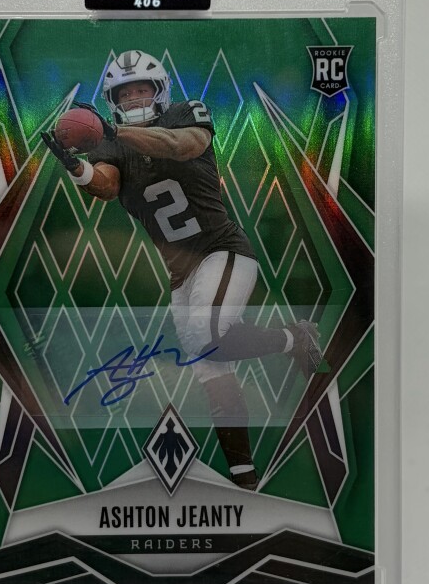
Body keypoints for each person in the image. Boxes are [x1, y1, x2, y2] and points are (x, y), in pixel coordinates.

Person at [42, 50, 321, 491]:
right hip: (180, 276)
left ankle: (292, 339)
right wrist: (76, 167)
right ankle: (245, 479)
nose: (134, 98)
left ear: (160, 91)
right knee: (211, 371)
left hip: (221, 251)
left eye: (141, 89)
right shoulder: (113, 145)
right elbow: (107, 186)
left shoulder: (185, 115)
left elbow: (181, 146)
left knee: (211, 339)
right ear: (113, 100)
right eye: (124, 93)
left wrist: (114, 131)